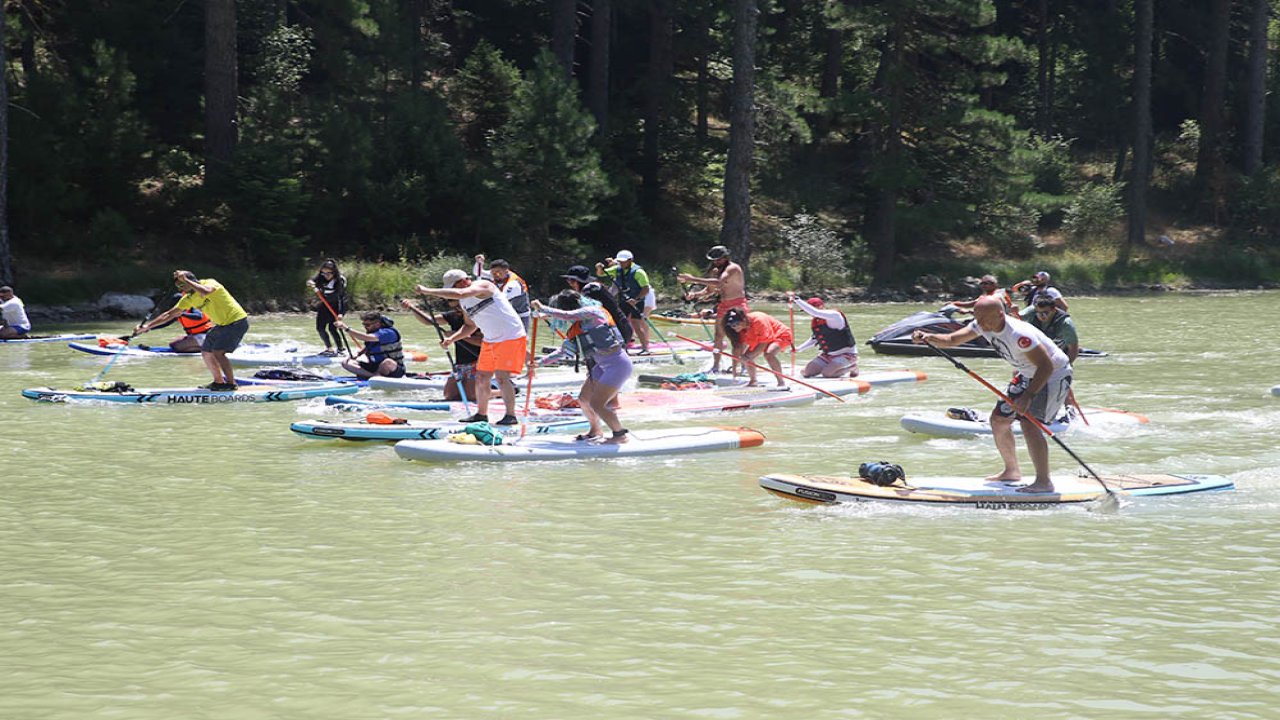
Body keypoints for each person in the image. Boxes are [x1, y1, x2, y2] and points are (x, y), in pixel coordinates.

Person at [912, 296, 1073, 494]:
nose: (982, 325)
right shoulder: (981, 323)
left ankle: (1043, 482)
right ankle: (1012, 471)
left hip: (1052, 375)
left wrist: (1028, 395)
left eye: (986, 320)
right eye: (977, 319)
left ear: (1000, 314)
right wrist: (928, 337)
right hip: (1027, 373)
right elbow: (952, 340)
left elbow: (1046, 366)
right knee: (998, 420)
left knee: (1029, 424)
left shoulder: (1019, 335)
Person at [414, 269, 527, 425]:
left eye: (453, 287)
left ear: (463, 281)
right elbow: (469, 325)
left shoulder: (484, 285)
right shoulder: (464, 302)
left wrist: (427, 291)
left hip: (510, 336)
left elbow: (460, 293)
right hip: (490, 339)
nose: (452, 291)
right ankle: (481, 414)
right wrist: (452, 339)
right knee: (481, 377)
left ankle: (510, 416)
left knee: (501, 378)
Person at [532, 290, 633, 444]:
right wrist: (539, 363)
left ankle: (620, 435)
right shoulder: (577, 329)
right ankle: (595, 431)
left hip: (617, 364)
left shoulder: (594, 312)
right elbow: (563, 352)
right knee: (584, 399)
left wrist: (543, 308)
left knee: (597, 404)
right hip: (601, 366)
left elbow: (568, 315)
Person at [135, 271, 250, 390]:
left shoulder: (210, 282)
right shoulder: (188, 299)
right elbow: (168, 315)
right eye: (178, 287)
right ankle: (219, 382)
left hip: (237, 321)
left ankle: (231, 384)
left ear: (191, 280)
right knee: (206, 351)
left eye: (182, 285)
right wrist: (147, 327)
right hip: (221, 325)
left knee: (218, 352)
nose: (180, 290)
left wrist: (186, 280)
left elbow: (206, 291)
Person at [677, 245, 747, 373]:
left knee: (737, 337)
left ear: (726, 258)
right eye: (714, 260)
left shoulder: (733, 268)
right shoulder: (716, 271)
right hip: (723, 305)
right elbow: (709, 290)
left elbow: (719, 283)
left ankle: (743, 366)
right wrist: (695, 295)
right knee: (718, 336)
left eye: (719, 259)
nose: (716, 262)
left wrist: (692, 279)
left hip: (737, 305)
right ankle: (716, 366)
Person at [401, 297, 482, 401]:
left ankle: (499, 393)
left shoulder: (479, 317)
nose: (457, 310)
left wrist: (457, 336)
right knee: (450, 396)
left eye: (459, 306)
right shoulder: (452, 316)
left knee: (471, 396)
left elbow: (482, 342)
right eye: (453, 305)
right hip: (460, 362)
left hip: (479, 360)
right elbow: (429, 321)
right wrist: (412, 308)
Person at [788, 292, 858, 378]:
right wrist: (798, 349)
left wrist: (797, 299)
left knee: (827, 374)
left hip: (847, 354)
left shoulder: (834, 315)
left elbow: (815, 312)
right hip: (828, 355)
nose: (809, 313)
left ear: (821, 306)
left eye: (809, 310)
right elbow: (814, 340)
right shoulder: (817, 321)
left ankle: (852, 367)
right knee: (805, 373)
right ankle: (832, 367)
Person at [561, 265, 634, 346]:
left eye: (571, 281)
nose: (570, 283)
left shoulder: (589, 290)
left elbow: (580, 313)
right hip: (620, 329)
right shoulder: (594, 287)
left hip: (618, 332)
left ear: (579, 281)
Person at [596, 250, 652, 354]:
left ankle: (645, 348)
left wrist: (636, 299)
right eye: (620, 262)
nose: (621, 264)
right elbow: (601, 274)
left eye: (623, 262)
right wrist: (599, 268)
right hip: (624, 300)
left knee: (636, 324)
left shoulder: (639, 272)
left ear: (630, 260)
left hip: (637, 301)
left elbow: (646, 289)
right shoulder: (617, 269)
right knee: (621, 323)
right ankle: (623, 348)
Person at [723, 308, 793, 389]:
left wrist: (747, 357)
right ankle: (753, 381)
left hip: (780, 334)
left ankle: (781, 382)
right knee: (747, 356)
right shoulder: (740, 330)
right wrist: (734, 369)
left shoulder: (758, 320)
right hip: (760, 338)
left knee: (768, 354)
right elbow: (738, 348)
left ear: (744, 319)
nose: (734, 327)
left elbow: (763, 343)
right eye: (732, 325)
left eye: (736, 324)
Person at [333, 311, 407, 379]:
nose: (365, 327)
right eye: (364, 324)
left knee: (387, 362)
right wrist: (358, 354)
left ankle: (374, 376)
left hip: (393, 369)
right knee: (346, 362)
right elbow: (370, 346)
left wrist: (345, 328)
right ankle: (373, 376)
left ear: (378, 324)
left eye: (367, 325)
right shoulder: (373, 332)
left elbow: (366, 337)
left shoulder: (388, 333)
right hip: (375, 366)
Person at [474, 254, 532, 333]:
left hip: (520, 317)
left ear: (506, 271)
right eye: (493, 273)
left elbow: (500, 300)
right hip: (505, 315)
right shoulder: (497, 275)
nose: (495, 276)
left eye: (498, 273)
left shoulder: (513, 284)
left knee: (517, 343)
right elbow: (478, 273)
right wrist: (479, 263)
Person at [141, 292, 213, 353]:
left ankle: (208, 349)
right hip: (196, 336)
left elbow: (198, 316)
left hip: (207, 335)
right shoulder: (178, 312)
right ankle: (202, 349)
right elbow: (167, 323)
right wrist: (149, 328)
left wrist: (182, 314)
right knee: (173, 344)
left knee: (177, 347)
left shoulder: (192, 307)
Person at [1020, 295, 1080, 364]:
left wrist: (1066, 365)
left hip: (1059, 353)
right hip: (1038, 351)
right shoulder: (1032, 311)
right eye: (1038, 313)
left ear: (1054, 310)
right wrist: (1012, 312)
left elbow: (1074, 349)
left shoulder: (1065, 323)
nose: (1042, 316)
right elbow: (1012, 320)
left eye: (1045, 313)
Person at [306, 259, 348, 356]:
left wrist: (340, 313)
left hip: (337, 306)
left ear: (334, 272)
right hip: (325, 305)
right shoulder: (321, 276)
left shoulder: (339, 280)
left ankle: (340, 348)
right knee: (320, 327)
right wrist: (310, 283)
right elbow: (311, 280)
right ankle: (329, 349)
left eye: (329, 273)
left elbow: (341, 298)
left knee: (332, 328)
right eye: (324, 273)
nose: (326, 275)